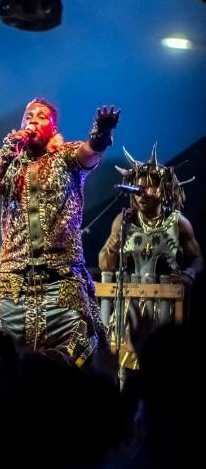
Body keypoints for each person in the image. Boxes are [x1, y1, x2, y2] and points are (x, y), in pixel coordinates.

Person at [0, 98, 120, 366]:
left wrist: (101, 133)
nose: (32, 120)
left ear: (52, 128)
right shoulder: (5, 161)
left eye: (41, 117)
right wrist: (6, 155)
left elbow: (90, 152)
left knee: (82, 355)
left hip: (61, 283)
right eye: (28, 116)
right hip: (13, 284)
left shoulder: (66, 156)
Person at [97, 147, 202, 381]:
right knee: (122, 370)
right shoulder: (123, 220)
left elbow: (198, 258)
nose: (141, 193)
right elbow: (105, 264)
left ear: (163, 190)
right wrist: (118, 234)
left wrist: (188, 275)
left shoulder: (178, 223)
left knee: (160, 372)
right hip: (128, 308)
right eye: (137, 188)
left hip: (163, 310)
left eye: (148, 187)